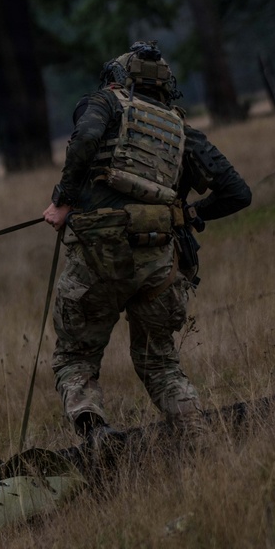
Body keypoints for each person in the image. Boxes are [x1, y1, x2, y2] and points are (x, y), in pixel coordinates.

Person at [42, 41, 251, 443]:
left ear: (119, 78)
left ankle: (95, 432)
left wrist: (63, 199)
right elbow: (238, 193)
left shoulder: (104, 104)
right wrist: (191, 214)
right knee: (160, 364)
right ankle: (196, 434)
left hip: (98, 259)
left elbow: (84, 140)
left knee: (76, 357)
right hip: (161, 263)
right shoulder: (181, 130)